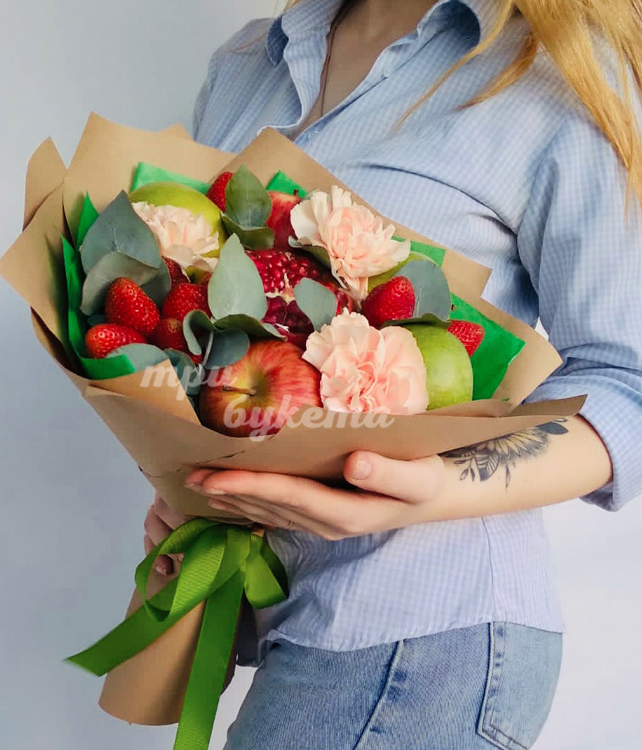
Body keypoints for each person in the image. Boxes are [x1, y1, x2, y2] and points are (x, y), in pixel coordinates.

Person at [144, 0, 642, 747]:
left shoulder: (554, 67)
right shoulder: (248, 63)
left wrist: (435, 486)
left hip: (423, 633)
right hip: (283, 611)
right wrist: (193, 491)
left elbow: (627, 383)